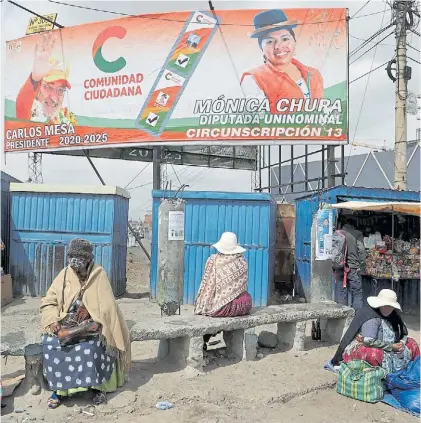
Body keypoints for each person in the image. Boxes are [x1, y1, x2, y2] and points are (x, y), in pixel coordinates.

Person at [40, 238, 131, 409]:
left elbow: (108, 306)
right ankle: (59, 390)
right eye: (72, 260)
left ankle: (98, 387)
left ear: (89, 260)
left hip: (92, 323)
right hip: (67, 321)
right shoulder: (65, 274)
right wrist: (53, 321)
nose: (76, 268)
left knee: (94, 345)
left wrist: (90, 309)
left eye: (80, 262)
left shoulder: (99, 273)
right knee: (51, 344)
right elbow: (49, 302)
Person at [241, 9, 324, 113]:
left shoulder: (313, 74)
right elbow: (257, 123)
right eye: (270, 42)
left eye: (285, 39)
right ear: (261, 48)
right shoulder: (253, 78)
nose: (278, 46)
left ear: (294, 41)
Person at [331, 289, 419, 373]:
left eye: (391, 306)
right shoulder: (371, 317)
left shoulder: (394, 316)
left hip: (392, 345)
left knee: (412, 344)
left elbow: (404, 333)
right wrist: (392, 347)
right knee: (373, 354)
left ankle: (414, 369)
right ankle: (381, 373)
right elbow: (368, 341)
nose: (389, 308)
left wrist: (402, 342)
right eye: (386, 305)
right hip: (371, 345)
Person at [16, 32, 76, 125]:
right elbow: (23, 105)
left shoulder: (67, 121)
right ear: (38, 89)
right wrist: (35, 78)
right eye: (48, 87)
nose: (54, 98)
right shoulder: (28, 115)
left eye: (60, 90)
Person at [194, 232, 252, 318]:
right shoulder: (241, 260)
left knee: (212, 303)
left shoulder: (213, 260)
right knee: (247, 297)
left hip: (221, 308)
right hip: (240, 306)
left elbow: (208, 286)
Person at [336, 217, 366, 310]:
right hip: (353, 267)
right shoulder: (357, 233)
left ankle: (342, 316)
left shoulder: (337, 233)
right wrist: (362, 265)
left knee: (342, 292)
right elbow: (361, 250)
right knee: (357, 293)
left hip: (340, 267)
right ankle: (356, 317)